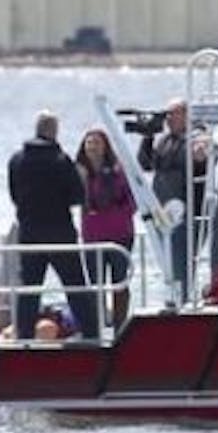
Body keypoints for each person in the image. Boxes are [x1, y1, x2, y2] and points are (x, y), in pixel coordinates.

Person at [7, 110, 99, 339]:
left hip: (28, 232)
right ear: (54, 131)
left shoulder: (17, 160)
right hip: (59, 232)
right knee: (75, 285)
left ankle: (24, 335)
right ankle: (91, 333)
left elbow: (14, 194)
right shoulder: (61, 161)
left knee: (29, 288)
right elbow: (77, 196)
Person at [137, 97, 207, 301]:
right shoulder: (165, 141)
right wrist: (148, 136)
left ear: (186, 114)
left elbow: (199, 155)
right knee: (167, 263)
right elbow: (146, 164)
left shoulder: (196, 137)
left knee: (181, 263)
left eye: (172, 114)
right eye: (166, 115)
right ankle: (173, 298)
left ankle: (183, 300)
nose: (167, 119)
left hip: (187, 214)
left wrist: (200, 150)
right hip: (163, 213)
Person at [76, 128, 136, 327]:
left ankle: (121, 326)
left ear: (105, 146)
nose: (92, 147)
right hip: (92, 237)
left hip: (120, 235)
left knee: (119, 283)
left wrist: (109, 212)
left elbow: (132, 203)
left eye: (97, 142)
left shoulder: (119, 171)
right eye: (89, 143)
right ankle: (98, 326)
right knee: (95, 284)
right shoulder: (78, 173)